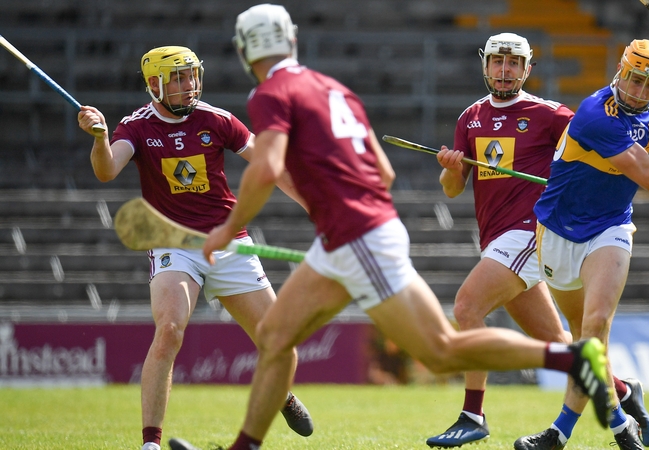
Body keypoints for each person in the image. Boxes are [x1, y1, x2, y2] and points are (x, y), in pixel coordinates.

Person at [167, 5, 613, 450]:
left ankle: (572, 357)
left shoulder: (269, 94)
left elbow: (264, 170)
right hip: (348, 236)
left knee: (441, 350)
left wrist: (229, 230)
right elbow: (384, 172)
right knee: (274, 337)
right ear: (292, 41)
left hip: (358, 237)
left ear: (245, 50)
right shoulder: (333, 89)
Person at [425, 33, 649, 449]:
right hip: (495, 236)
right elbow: (452, 189)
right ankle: (622, 390)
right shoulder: (470, 118)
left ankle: (472, 414)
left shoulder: (550, 114)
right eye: (498, 62)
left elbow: (598, 146)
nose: (504, 70)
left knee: (467, 306)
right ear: (486, 65)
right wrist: (450, 167)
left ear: (527, 69)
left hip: (533, 230)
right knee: (563, 348)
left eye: (514, 63)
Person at [76, 45, 314, 450]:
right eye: (180, 79)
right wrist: (99, 139)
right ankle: (151, 443)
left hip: (229, 241)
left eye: (193, 76)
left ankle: (281, 395)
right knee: (169, 329)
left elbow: (270, 166)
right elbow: (107, 169)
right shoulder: (135, 127)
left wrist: (317, 208)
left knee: (279, 344)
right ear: (155, 85)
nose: (190, 86)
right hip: (174, 243)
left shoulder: (216, 119)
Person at [514, 39, 649, 450]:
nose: (640, 92)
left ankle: (577, 432)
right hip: (558, 232)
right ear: (620, 71)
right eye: (635, 79)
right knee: (583, 339)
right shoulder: (597, 114)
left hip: (611, 228)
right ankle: (622, 401)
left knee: (596, 326)